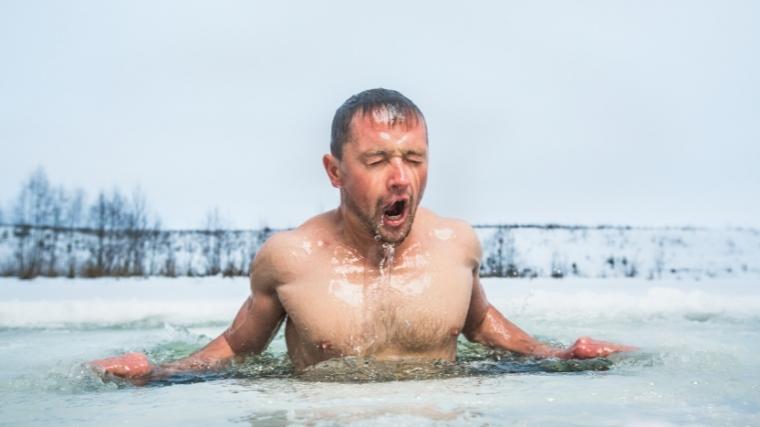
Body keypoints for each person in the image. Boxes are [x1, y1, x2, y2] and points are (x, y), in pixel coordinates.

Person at [91, 88, 634, 381]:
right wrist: (159, 372)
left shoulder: (456, 246)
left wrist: (558, 355)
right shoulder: (290, 259)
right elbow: (240, 347)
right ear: (335, 171)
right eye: (377, 160)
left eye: (414, 159)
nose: (401, 177)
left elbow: (481, 325)